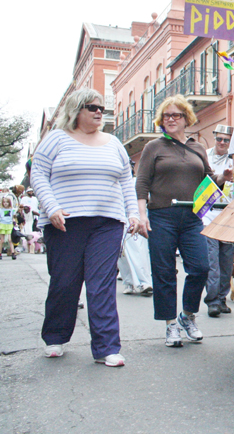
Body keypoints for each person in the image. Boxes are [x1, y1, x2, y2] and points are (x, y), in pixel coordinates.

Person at [30, 88, 140, 367]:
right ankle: (55, 336)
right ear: (76, 110)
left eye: (101, 108)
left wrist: (134, 214)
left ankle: (106, 347)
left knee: (101, 284)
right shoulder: (56, 139)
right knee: (65, 282)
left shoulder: (113, 143)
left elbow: (127, 181)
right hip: (65, 222)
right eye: (92, 107)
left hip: (108, 223)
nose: (98, 112)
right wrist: (51, 207)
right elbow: (39, 174)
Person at [136, 95, 232, 347]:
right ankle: (170, 326)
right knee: (164, 272)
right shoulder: (153, 147)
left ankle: (187, 316)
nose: (170, 119)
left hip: (191, 217)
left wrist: (225, 176)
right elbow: (142, 182)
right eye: (166, 115)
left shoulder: (198, 147)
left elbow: (209, 181)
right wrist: (142, 214)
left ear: (186, 119)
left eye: (175, 115)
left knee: (201, 267)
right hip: (161, 215)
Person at [204, 124, 234, 317]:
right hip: (208, 214)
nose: (222, 143)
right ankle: (212, 300)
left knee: (226, 261)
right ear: (214, 138)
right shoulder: (205, 156)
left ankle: (222, 298)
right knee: (212, 261)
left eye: (226, 140)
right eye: (219, 139)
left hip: (229, 215)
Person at [118, 161, 152, 296]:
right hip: (117, 220)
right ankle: (129, 283)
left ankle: (144, 282)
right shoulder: (115, 182)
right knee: (122, 255)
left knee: (138, 251)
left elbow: (145, 198)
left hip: (134, 220)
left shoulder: (135, 182)